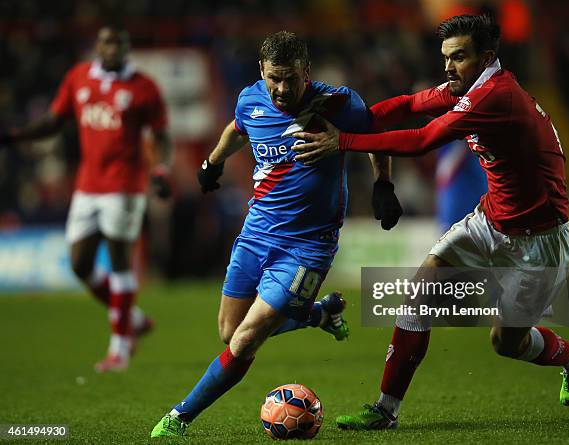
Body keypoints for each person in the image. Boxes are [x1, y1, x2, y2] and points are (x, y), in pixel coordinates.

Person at [291, 15, 569, 429]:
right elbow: (410, 105)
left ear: (486, 57)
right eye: (445, 58)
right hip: (490, 220)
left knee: (506, 343)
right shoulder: (469, 86)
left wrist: (342, 141)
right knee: (421, 289)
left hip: (539, 239)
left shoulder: (496, 96)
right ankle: (386, 409)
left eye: (458, 57)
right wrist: (357, 119)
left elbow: (422, 139)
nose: (448, 67)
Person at [150, 31, 403, 438]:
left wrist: (383, 185)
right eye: (274, 79)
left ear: (307, 71)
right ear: (262, 72)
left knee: (246, 339)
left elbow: (376, 136)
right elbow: (237, 129)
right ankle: (320, 313)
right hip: (255, 234)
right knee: (230, 333)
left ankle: (180, 417)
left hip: (308, 246)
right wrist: (212, 163)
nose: (282, 89)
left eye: (291, 79)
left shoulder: (338, 104)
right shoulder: (251, 99)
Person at [1, 26, 172, 372]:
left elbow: (161, 135)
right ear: (98, 46)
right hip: (87, 185)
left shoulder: (143, 87)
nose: (113, 49)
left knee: (121, 262)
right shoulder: (79, 78)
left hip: (125, 185)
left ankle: (120, 348)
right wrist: (15, 136)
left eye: (120, 43)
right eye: (107, 42)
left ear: (126, 48)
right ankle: (133, 319)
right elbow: (53, 120)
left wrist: (161, 170)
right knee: (80, 264)